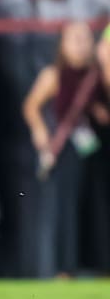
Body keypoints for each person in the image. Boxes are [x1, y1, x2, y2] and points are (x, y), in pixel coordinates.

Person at [22, 21, 106, 277]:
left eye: (85, 39)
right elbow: (31, 106)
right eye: (75, 39)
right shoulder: (54, 74)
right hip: (68, 149)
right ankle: (65, 269)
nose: (81, 45)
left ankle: (102, 265)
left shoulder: (99, 73)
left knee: (100, 208)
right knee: (66, 208)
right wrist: (40, 132)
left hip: (99, 149)